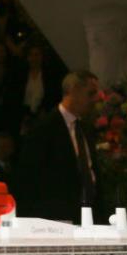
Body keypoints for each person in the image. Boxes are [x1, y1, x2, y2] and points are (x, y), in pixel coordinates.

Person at [15, 70, 103, 222]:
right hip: (56, 216)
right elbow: (28, 177)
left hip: (87, 214)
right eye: (91, 93)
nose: (95, 99)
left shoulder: (85, 128)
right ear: (74, 90)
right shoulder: (44, 128)